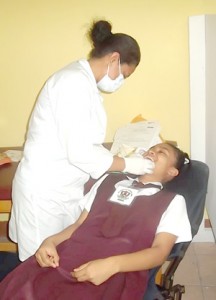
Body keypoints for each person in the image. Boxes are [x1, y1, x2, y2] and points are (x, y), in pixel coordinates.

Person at [9, 19, 155, 261]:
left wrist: (119, 160)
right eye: (124, 75)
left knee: (62, 258)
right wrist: (131, 164)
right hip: (45, 193)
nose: (121, 81)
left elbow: (85, 143)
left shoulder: (84, 84)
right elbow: (81, 153)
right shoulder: (72, 83)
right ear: (113, 59)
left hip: (64, 189)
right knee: (39, 267)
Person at [0, 143, 192, 299]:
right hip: (68, 257)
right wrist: (50, 242)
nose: (152, 152)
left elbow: (159, 253)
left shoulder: (172, 201)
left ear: (172, 172)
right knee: (22, 288)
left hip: (115, 270)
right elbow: (78, 225)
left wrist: (112, 265)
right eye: (151, 149)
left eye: (161, 152)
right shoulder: (107, 182)